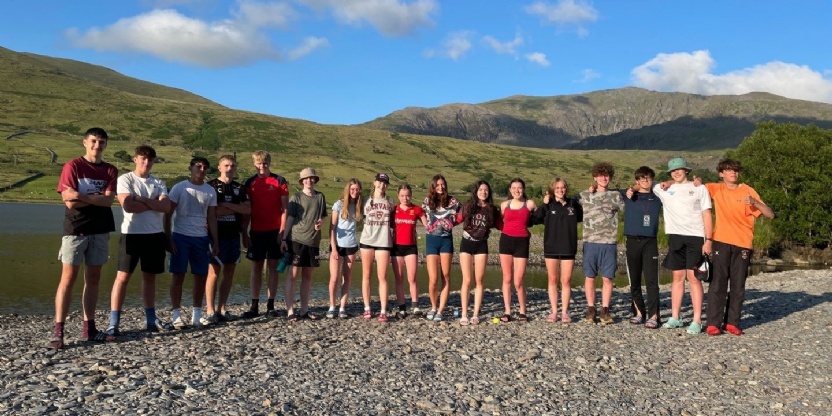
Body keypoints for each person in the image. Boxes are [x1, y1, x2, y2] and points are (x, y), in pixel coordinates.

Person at [49, 127, 119, 349]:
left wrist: (81, 195)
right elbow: (69, 202)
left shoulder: (110, 170)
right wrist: (95, 197)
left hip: (100, 230)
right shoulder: (73, 166)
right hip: (76, 229)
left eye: (102, 142)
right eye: (94, 141)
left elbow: (108, 201)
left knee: (94, 279)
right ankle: (58, 331)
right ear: (85, 142)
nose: (97, 145)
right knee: (68, 279)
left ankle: (89, 328)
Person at [105, 145, 172, 341]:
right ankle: (114, 322)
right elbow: (128, 205)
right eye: (143, 158)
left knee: (150, 277)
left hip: (155, 235)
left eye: (150, 159)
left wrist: (141, 199)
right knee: (122, 277)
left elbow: (166, 207)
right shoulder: (125, 179)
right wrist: (153, 203)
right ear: (135, 159)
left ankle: (151, 320)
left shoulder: (158, 182)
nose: (146, 162)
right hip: (132, 234)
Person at [703, 159, 774, 336]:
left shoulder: (747, 190)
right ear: (721, 174)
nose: (733, 173)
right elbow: (689, 187)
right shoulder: (716, 188)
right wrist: (669, 183)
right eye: (728, 170)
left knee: (738, 285)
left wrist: (755, 202)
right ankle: (713, 324)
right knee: (718, 283)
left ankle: (732, 323)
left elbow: (770, 214)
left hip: (743, 243)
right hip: (721, 241)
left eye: (735, 170)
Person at [653, 157, 713, 335]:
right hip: (675, 236)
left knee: (694, 278)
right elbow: (649, 185)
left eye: (679, 169)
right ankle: (675, 317)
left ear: (686, 170)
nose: (676, 173)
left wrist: (709, 239)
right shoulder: (663, 189)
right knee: (677, 277)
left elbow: (707, 214)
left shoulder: (699, 188)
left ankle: (696, 320)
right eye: (673, 171)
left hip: (696, 236)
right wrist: (669, 182)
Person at [165, 156, 219, 329]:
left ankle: (196, 315)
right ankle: (176, 316)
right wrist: (168, 237)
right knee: (178, 275)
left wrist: (215, 240)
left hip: (201, 238)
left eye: (204, 167)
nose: (201, 170)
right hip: (180, 236)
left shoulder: (210, 191)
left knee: (201, 276)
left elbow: (211, 217)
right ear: (190, 168)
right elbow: (168, 213)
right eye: (198, 166)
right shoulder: (179, 187)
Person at [241, 150, 288, 318]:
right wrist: (244, 232)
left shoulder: (279, 181)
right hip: (256, 231)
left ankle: (271, 305)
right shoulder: (249, 183)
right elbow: (247, 210)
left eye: (265, 163)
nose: (262, 166)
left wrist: (282, 231)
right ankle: (254, 306)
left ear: (269, 163)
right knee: (256, 267)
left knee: (273, 268)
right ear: (255, 164)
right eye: (259, 163)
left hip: (275, 231)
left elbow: (285, 209)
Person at [203, 155, 250, 325]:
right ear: (219, 167)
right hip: (215, 235)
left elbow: (248, 210)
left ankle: (222, 308)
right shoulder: (210, 186)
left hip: (234, 235)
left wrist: (227, 206)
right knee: (214, 272)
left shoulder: (240, 187)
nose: (230, 168)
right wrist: (236, 208)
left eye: (232, 166)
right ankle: (210, 310)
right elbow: (212, 212)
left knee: (230, 271)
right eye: (226, 165)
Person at [579, 162, 624, 325]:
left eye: (606, 175)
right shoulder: (584, 195)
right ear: (595, 177)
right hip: (590, 242)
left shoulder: (616, 196)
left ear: (610, 177)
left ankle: (605, 309)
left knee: (607, 278)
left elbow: (630, 206)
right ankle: (591, 308)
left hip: (609, 243)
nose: (603, 178)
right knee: (590, 277)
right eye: (600, 175)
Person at [534, 178, 582, 324]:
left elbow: (582, 217)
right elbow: (536, 218)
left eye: (562, 187)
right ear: (552, 190)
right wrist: (544, 203)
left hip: (568, 246)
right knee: (553, 279)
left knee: (566, 281)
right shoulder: (548, 205)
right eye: (557, 188)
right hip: (551, 246)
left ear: (566, 189)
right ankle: (554, 311)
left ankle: (565, 312)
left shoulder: (573, 204)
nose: (560, 190)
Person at [621, 167, 663, 329]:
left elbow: (672, 184)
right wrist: (632, 188)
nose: (645, 181)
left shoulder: (658, 197)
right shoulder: (628, 195)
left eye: (648, 178)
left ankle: (654, 316)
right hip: (632, 240)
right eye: (642, 178)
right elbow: (606, 189)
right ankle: (639, 312)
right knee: (634, 279)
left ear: (652, 179)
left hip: (650, 241)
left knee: (652, 280)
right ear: (637, 180)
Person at [283, 168, 327, 321]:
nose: (309, 181)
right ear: (302, 181)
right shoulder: (296, 197)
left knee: (308, 276)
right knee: (293, 274)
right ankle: (290, 310)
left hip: (313, 241)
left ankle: (304, 309)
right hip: (297, 239)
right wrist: (284, 238)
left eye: (311, 178)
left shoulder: (320, 197)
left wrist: (321, 222)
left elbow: (323, 216)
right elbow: (290, 218)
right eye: (306, 179)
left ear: (315, 180)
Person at [457, 180, 501, 325]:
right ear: (476, 191)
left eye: (486, 190)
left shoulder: (492, 209)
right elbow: (457, 219)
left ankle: (475, 314)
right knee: (467, 280)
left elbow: (501, 225)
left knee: (479, 280)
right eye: (481, 189)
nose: (483, 192)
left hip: (482, 244)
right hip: (467, 242)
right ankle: (464, 313)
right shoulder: (468, 206)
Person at [498, 178, 538, 322]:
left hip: (522, 242)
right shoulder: (504, 205)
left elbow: (539, 217)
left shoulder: (530, 204)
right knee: (507, 278)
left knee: (518, 280)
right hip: (506, 241)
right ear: (510, 190)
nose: (517, 190)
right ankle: (507, 311)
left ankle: (522, 311)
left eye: (519, 187)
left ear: (523, 189)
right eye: (514, 188)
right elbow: (500, 222)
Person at [422, 174, 460, 322]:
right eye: (437, 185)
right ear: (433, 186)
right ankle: (433, 306)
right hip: (431, 240)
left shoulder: (453, 201)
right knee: (433, 279)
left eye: (442, 184)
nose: (440, 187)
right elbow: (421, 216)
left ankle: (441, 310)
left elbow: (462, 214)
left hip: (446, 241)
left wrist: (452, 224)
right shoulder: (427, 201)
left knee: (445, 276)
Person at [359, 173, 395, 322]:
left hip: (383, 241)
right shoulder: (365, 200)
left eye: (385, 183)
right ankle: (367, 308)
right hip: (367, 240)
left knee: (382, 276)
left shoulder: (390, 201)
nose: (382, 185)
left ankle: (383, 310)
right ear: (374, 183)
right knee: (366, 275)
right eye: (380, 182)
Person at [327, 179, 363, 319]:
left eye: (357, 189)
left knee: (347, 278)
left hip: (351, 245)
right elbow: (332, 227)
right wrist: (334, 248)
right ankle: (332, 306)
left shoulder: (359, 205)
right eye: (352, 189)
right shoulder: (339, 204)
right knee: (334, 278)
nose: (354, 192)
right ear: (348, 189)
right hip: (337, 245)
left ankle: (342, 307)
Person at [392, 184, 428, 318]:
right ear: (398, 196)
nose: (405, 198)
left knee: (412, 278)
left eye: (407, 195)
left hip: (411, 247)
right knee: (399, 279)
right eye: (402, 195)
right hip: (396, 247)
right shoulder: (394, 210)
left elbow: (427, 224)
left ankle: (415, 306)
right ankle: (402, 308)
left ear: (411, 195)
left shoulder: (417, 209)